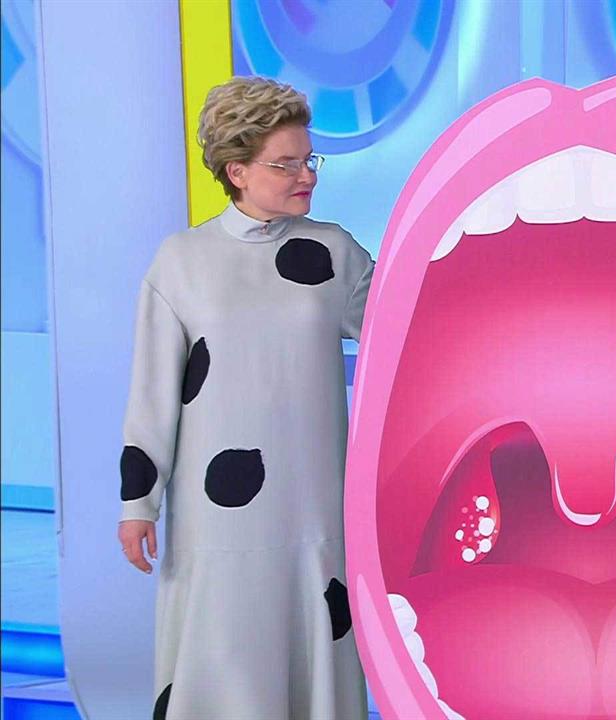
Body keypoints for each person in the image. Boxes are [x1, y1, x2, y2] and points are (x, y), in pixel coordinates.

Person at [116, 76, 373, 718]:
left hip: (315, 508)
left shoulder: (334, 251)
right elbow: (152, 391)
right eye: (285, 164)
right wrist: (137, 503)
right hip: (217, 521)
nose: (306, 176)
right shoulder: (182, 262)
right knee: (227, 638)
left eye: (309, 160)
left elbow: (405, 327)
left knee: (317, 631)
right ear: (237, 171)